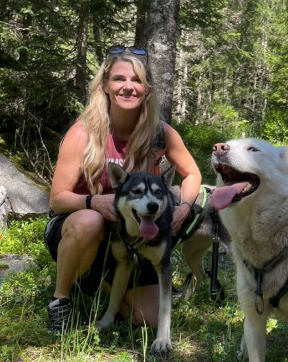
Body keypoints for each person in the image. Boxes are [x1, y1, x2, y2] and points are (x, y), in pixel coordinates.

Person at [44, 46, 202, 334]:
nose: (128, 87)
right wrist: (95, 202)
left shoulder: (160, 133)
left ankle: (100, 284)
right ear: (105, 85)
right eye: (119, 79)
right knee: (89, 221)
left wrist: (184, 207)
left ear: (147, 90)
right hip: (80, 226)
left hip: (131, 236)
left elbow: (192, 173)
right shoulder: (83, 133)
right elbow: (57, 199)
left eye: (137, 80)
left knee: (150, 319)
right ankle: (61, 300)